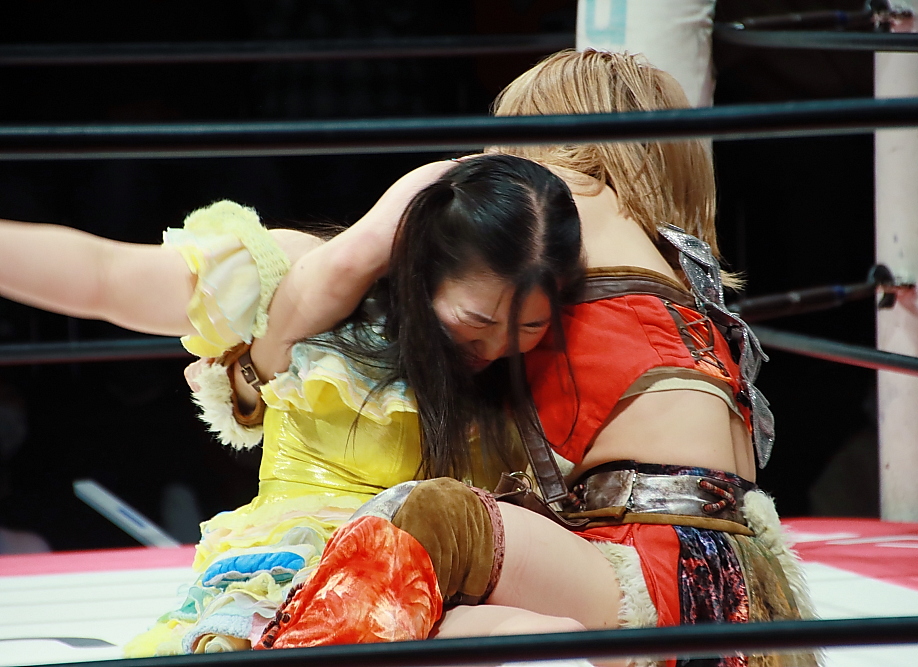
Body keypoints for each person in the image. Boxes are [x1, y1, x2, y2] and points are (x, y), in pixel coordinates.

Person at [258, 51, 817, 667]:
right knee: (442, 611)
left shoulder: (543, 198)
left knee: (426, 521)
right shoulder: (670, 252)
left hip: (656, 573)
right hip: (745, 594)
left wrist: (255, 364)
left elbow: (346, 261)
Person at [0, 154, 585, 655]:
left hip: (451, 592)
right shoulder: (310, 275)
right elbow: (106, 276)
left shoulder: (568, 339)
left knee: (552, 642)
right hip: (304, 587)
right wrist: (368, 243)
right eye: (475, 320)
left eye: (530, 326)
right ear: (420, 268)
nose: (498, 345)